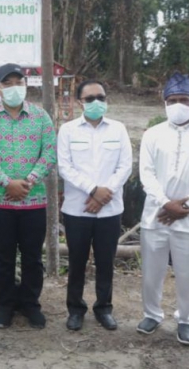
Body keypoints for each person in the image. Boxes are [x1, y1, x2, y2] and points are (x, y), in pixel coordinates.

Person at [136, 72, 189, 346]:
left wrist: (187, 203)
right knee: (151, 273)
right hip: (156, 216)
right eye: (172, 100)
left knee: (188, 274)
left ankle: (186, 319)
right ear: (164, 103)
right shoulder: (152, 135)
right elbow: (146, 174)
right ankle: (152, 314)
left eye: (183, 99)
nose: (177, 104)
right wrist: (165, 203)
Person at [0, 63, 57, 329]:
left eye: (18, 82)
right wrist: (7, 182)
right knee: (3, 256)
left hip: (33, 199)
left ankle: (31, 304)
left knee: (32, 256)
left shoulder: (41, 116)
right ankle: (6, 305)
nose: (13, 87)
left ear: (26, 85)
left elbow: (49, 153)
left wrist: (29, 181)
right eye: (7, 83)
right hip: (0, 200)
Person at [57, 80, 132, 332]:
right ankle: (75, 309)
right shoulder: (68, 130)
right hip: (77, 209)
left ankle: (103, 308)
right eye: (89, 99)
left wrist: (103, 194)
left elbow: (125, 166)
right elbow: (65, 167)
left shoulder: (118, 129)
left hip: (110, 209)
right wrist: (92, 190)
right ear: (80, 102)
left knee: (105, 261)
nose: (96, 102)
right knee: (77, 261)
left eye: (100, 97)